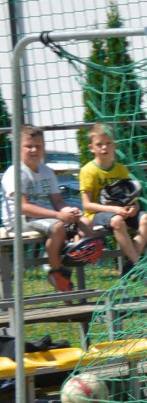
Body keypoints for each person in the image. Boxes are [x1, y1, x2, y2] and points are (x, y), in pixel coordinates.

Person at [1, 124, 94, 292]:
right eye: (29, 146)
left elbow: (58, 201)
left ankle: (64, 268)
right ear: (18, 148)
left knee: (85, 223)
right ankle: (56, 271)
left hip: (45, 217)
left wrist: (70, 210)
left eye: (38, 146)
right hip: (19, 220)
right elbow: (23, 208)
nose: (34, 150)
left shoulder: (47, 171)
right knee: (58, 226)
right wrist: (58, 215)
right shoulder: (15, 173)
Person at [79, 123, 147, 275]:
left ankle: (130, 264)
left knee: (146, 218)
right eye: (99, 144)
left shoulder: (120, 169)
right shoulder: (88, 171)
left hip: (121, 211)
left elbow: (130, 195)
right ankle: (137, 265)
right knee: (117, 221)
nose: (104, 148)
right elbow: (87, 205)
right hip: (98, 215)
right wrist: (114, 209)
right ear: (92, 147)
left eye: (108, 143)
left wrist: (134, 208)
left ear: (114, 146)